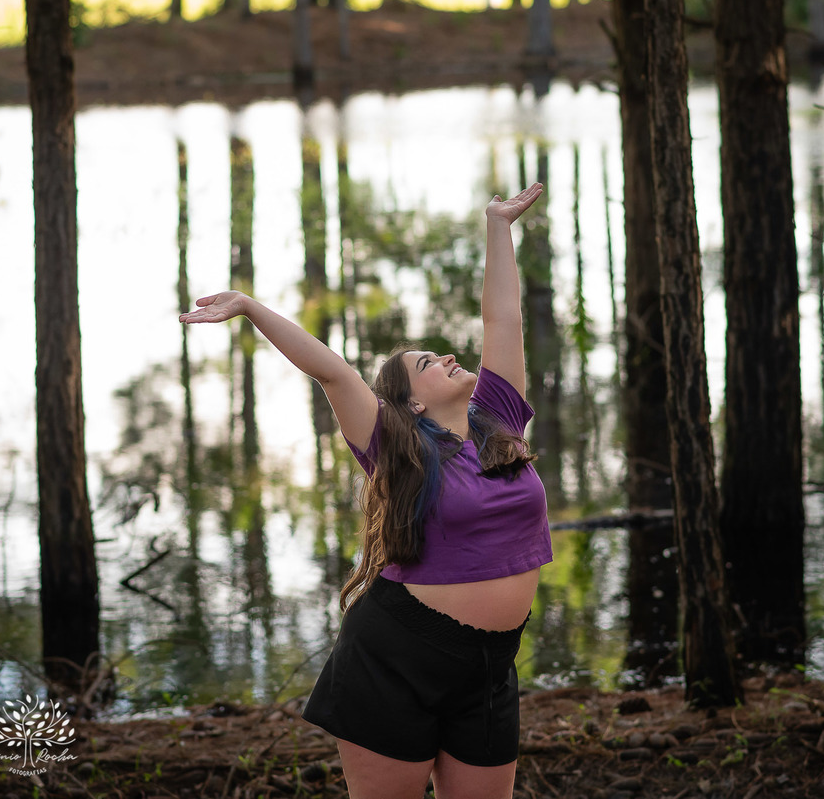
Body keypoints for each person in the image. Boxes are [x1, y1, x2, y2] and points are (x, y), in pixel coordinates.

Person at [179, 183, 549, 799]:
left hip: (490, 666)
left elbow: (501, 318)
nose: (447, 357)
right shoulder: (399, 450)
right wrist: (248, 307)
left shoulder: (500, 419)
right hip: (396, 660)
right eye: (427, 363)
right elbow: (332, 370)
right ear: (412, 404)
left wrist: (497, 226)